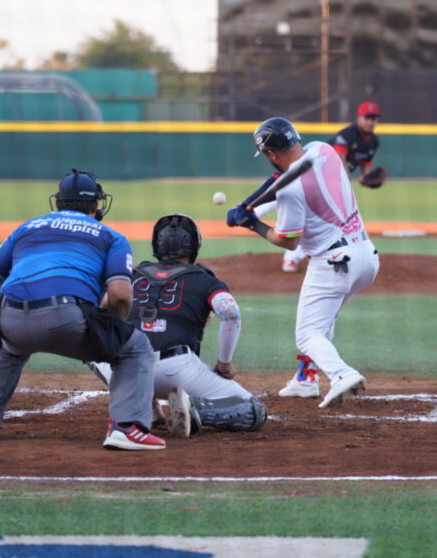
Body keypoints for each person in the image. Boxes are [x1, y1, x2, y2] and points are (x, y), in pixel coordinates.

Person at [0, 169, 166, 451]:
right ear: (96, 205)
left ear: (57, 203)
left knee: (6, 344)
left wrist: (17, 315)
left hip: (9, 312)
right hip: (66, 318)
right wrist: (110, 334)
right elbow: (120, 296)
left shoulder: (27, 227)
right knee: (135, 348)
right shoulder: (111, 236)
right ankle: (126, 428)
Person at [227, 117, 379, 408]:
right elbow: (281, 180)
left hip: (332, 263)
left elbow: (288, 241)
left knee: (308, 334)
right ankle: (306, 380)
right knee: (322, 321)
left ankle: (341, 374)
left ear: (271, 154)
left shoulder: (290, 192)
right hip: (366, 256)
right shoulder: (324, 149)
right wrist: (249, 205)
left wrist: (253, 225)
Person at [92, 214, 267, 438]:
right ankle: (198, 412)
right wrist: (224, 365)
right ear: (195, 245)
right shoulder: (205, 279)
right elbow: (231, 314)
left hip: (127, 368)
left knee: (95, 344)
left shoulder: (132, 275)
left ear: (156, 244)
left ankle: (144, 405)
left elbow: (102, 307)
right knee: (254, 409)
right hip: (178, 372)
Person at [279, 100, 382, 273]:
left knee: (328, 223)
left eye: (374, 118)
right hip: (315, 178)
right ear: (359, 118)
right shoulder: (347, 135)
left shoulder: (374, 142)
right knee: (318, 221)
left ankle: (299, 257)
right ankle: (291, 258)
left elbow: (365, 166)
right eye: (367, 118)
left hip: (335, 185)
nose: (370, 121)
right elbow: (340, 160)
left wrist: (365, 179)